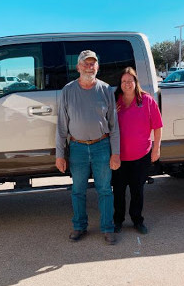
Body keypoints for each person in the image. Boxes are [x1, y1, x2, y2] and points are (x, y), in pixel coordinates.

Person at [56, 50, 121, 245]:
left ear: (97, 67)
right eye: (85, 63)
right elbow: (61, 127)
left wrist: (115, 153)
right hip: (77, 148)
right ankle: (79, 226)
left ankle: (108, 228)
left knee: (105, 190)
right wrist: (60, 155)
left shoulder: (106, 90)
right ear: (78, 67)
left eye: (93, 63)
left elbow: (114, 126)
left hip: (102, 146)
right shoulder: (68, 90)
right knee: (78, 190)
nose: (89, 67)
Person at [112, 67, 163, 234]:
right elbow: (104, 125)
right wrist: (112, 113)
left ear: (135, 82)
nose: (127, 84)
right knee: (118, 191)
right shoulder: (114, 100)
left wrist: (156, 149)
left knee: (137, 191)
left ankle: (137, 220)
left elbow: (157, 127)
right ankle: (117, 220)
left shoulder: (147, 100)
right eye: (124, 81)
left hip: (141, 156)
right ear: (120, 84)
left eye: (130, 81)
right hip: (118, 156)